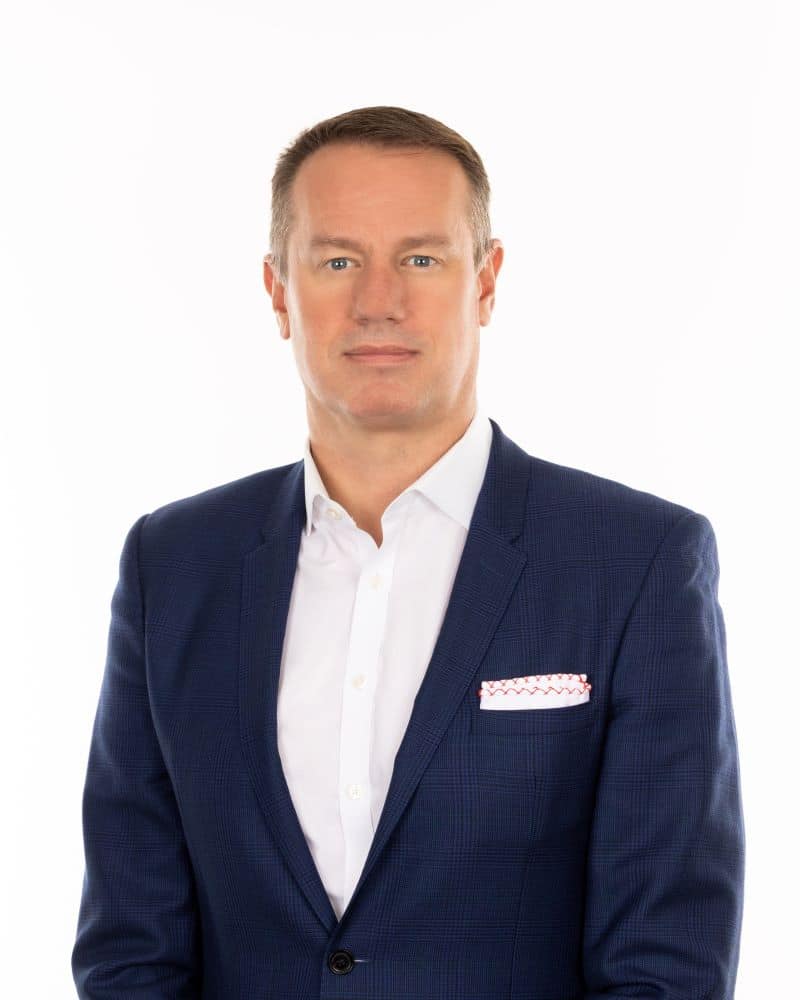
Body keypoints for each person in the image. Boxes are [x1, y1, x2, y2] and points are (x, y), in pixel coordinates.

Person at [72, 105, 745, 999]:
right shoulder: (175, 564)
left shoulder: (635, 562)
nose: (378, 301)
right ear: (278, 291)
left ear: (486, 282)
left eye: (421, 259)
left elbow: (667, 961)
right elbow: (130, 948)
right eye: (337, 261)